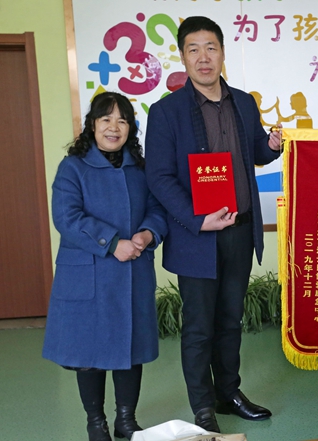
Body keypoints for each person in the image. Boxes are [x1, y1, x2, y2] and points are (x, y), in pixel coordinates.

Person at [144, 16, 282, 432]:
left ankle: (229, 394)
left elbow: (256, 150)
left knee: (230, 320)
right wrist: (195, 219)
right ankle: (203, 407)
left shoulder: (243, 102)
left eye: (211, 48)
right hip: (196, 237)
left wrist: (271, 145)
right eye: (194, 49)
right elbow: (159, 177)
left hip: (239, 230)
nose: (203, 57)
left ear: (222, 53)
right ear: (183, 57)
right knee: (199, 326)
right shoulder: (166, 112)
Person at [42, 92, 168, 441]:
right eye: (106, 119)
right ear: (92, 125)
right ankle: (95, 422)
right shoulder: (73, 167)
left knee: (131, 348)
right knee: (89, 350)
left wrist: (147, 233)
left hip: (133, 271)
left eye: (122, 120)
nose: (114, 127)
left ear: (131, 128)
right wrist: (112, 243)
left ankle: (126, 420)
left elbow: (158, 209)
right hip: (89, 272)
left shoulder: (140, 168)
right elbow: (66, 217)